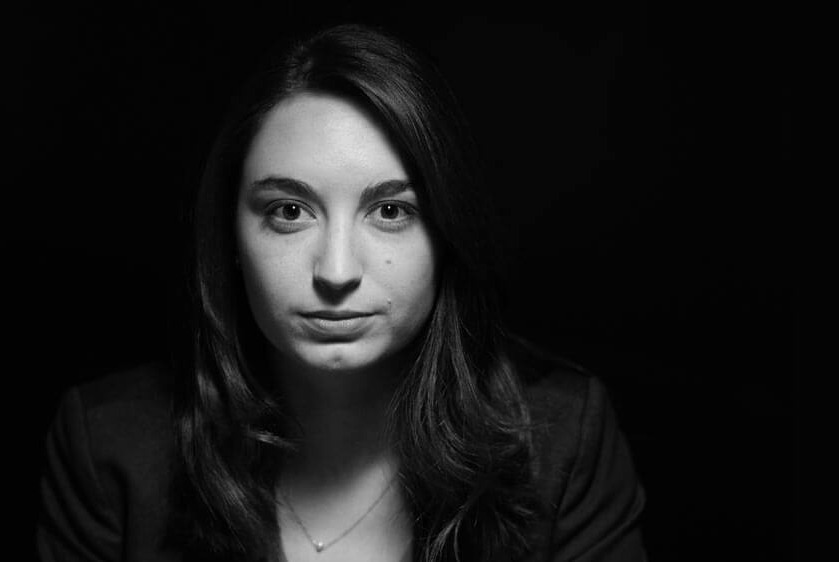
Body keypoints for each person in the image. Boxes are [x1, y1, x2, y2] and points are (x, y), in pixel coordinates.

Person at [36, 24, 647, 562]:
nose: (335, 271)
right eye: (290, 210)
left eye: (389, 210)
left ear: (446, 232)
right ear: (230, 236)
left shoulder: (564, 437)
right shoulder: (109, 446)